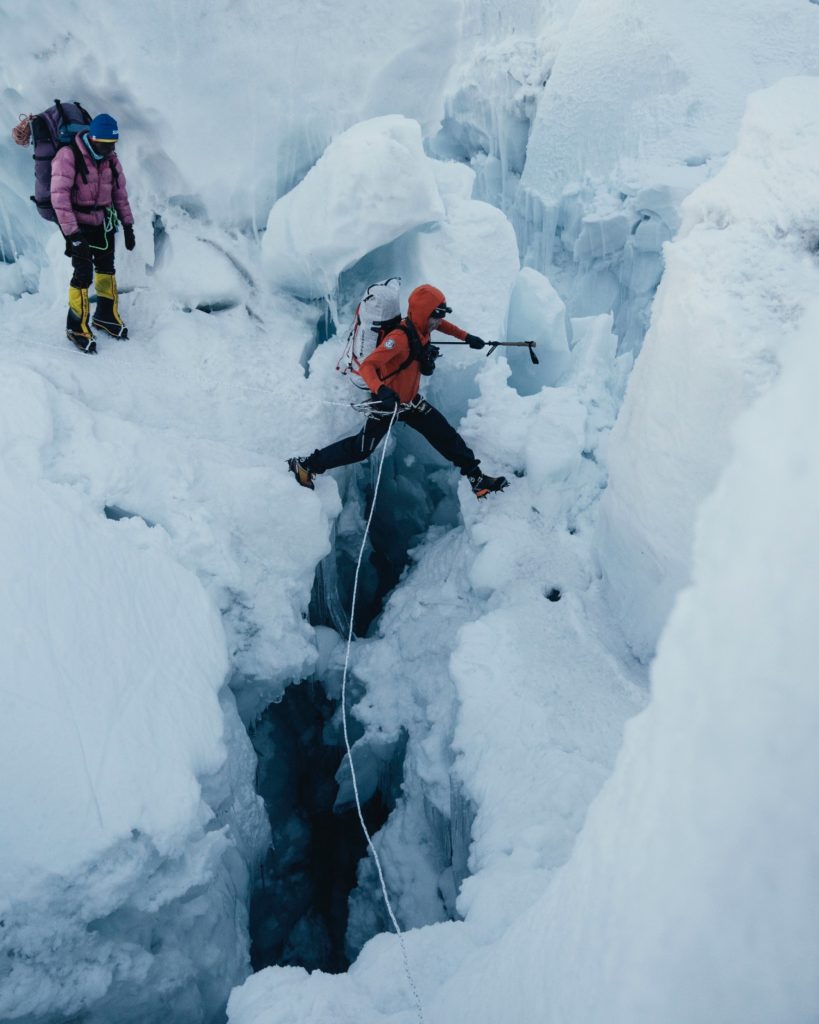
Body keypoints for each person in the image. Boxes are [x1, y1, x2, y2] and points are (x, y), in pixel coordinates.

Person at [288, 284, 508, 499]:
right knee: (361, 449)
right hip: (387, 405)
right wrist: (381, 391)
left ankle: (476, 479)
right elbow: (368, 367)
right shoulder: (398, 339)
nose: (438, 321)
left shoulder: (423, 326)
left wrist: (467, 337)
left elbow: (443, 326)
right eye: (435, 316)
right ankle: (306, 465)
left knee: (447, 437)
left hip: (411, 403)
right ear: (423, 314)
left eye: (440, 316)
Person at [51, 112, 135, 352]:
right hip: (77, 225)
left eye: (113, 145)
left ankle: (105, 316)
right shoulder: (68, 157)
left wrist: (128, 225)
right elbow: (59, 199)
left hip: (103, 221)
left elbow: (120, 193)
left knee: (107, 269)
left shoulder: (111, 159)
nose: (110, 150)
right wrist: (73, 235)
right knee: (83, 274)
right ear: (93, 138)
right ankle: (76, 327)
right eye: (105, 145)